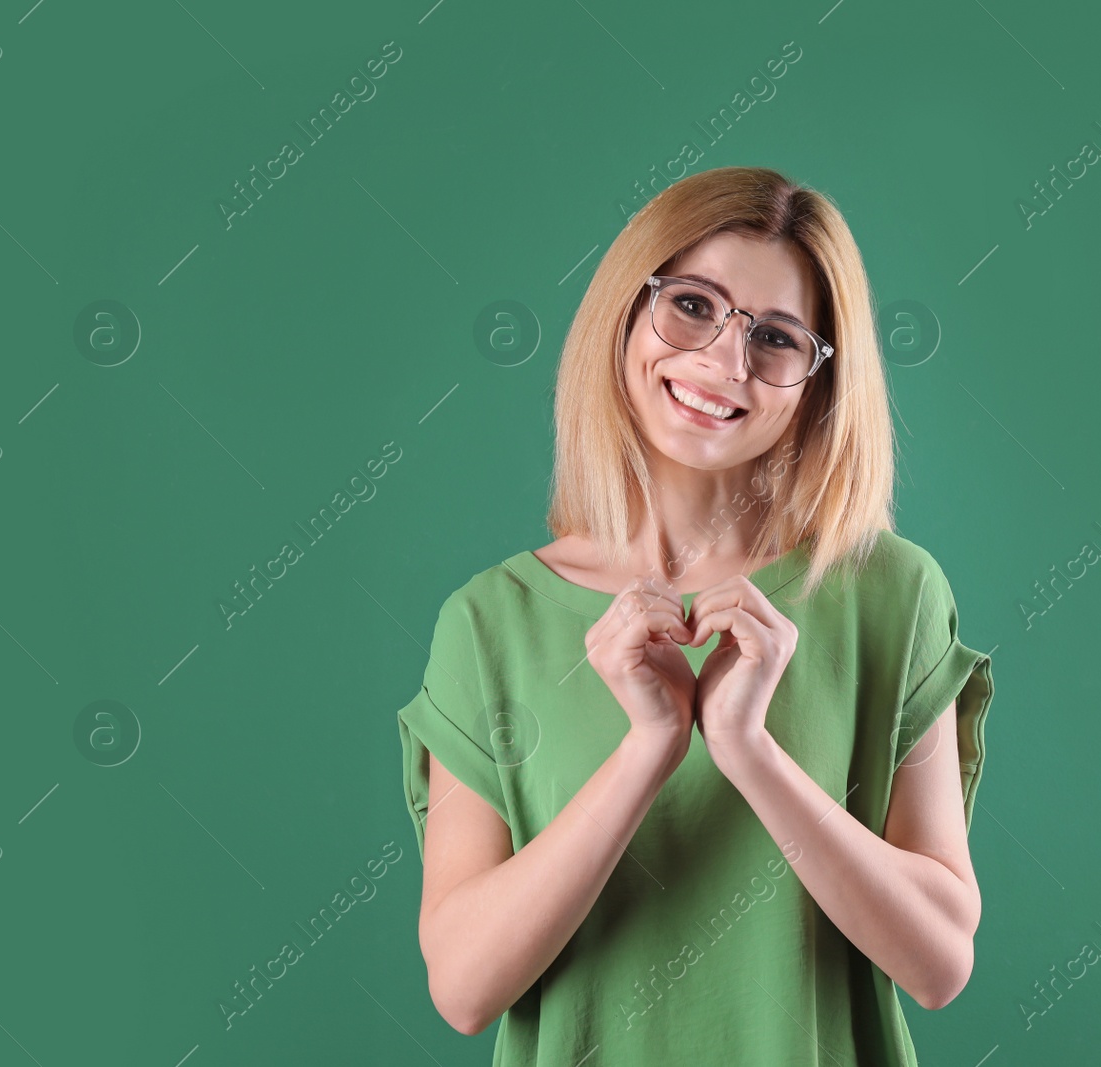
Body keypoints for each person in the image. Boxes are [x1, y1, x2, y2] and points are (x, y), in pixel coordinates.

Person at [395, 165, 995, 1065]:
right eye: (692, 305)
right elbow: (465, 986)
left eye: (779, 338)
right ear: (627, 309)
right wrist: (649, 748)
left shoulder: (892, 596)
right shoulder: (489, 623)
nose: (725, 362)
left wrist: (749, 748)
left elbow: (940, 961)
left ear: (819, 382)